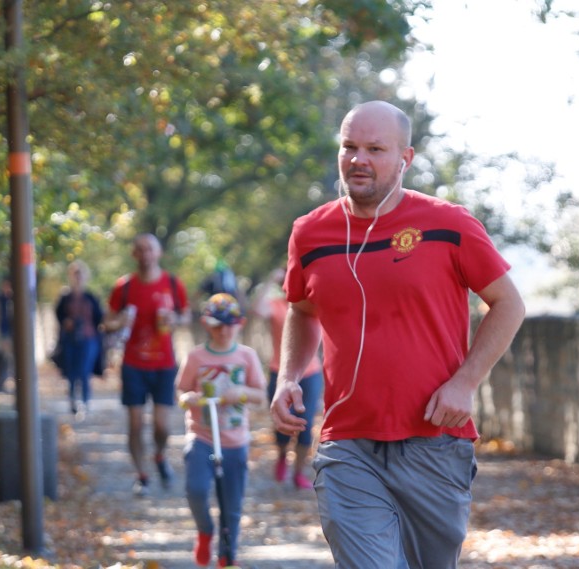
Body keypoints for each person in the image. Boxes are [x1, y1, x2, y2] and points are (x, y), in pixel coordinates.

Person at [270, 100, 526, 568]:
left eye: (374, 148)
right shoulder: (310, 232)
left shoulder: (449, 224)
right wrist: (288, 376)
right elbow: (302, 310)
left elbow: (509, 304)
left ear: (404, 159)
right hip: (347, 443)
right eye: (349, 146)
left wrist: (465, 382)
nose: (358, 159)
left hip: (434, 441)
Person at [177, 293, 266, 568]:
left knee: (232, 504)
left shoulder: (246, 356)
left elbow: (261, 395)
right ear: (206, 324)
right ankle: (205, 530)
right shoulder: (196, 356)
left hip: (235, 439)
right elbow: (182, 390)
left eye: (229, 324)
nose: (223, 330)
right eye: (217, 325)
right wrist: (188, 398)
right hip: (202, 436)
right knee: (196, 489)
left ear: (239, 324)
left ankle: (228, 556)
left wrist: (241, 392)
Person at [104, 233, 192, 496]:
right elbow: (107, 321)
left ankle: (160, 456)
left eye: (150, 249)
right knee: (135, 424)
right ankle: (141, 474)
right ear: (134, 254)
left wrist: (174, 320)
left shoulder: (173, 284)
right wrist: (119, 322)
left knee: (162, 426)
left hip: (165, 364)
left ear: (159, 253)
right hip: (133, 364)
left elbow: (186, 316)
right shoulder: (124, 287)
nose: (145, 254)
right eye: (140, 249)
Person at [250, 266, 323, 489]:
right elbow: (256, 310)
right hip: (279, 371)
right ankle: (282, 456)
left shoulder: (315, 303)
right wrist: (271, 280)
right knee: (282, 422)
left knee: (306, 423)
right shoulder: (276, 306)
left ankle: (299, 472)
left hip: (311, 373)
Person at [54, 260, 104, 417]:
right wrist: (66, 323)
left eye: (81, 274)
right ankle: (72, 401)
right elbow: (59, 316)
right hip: (69, 339)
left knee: (84, 371)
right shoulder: (65, 298)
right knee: (71, 372)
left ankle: (85, 401)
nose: (78, 277)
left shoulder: (91, 297)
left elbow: (99, 318)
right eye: (75, 274)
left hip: (89, 339)